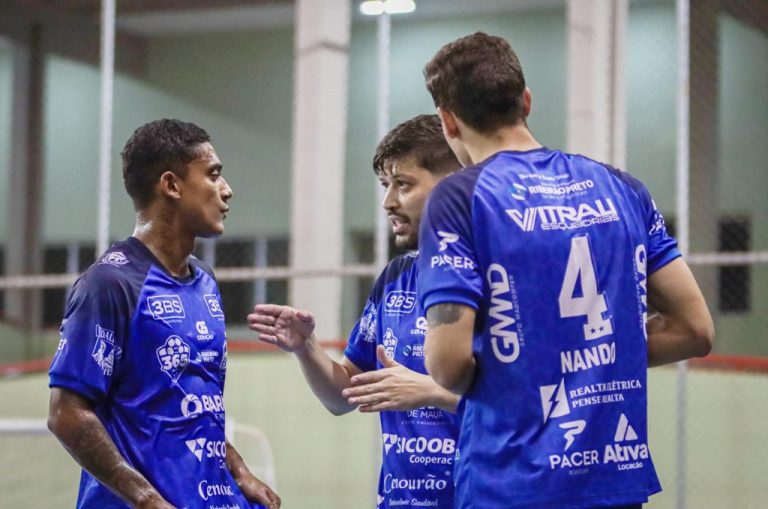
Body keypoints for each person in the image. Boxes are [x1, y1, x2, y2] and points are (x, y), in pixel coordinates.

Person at [416, 32, 715, 509]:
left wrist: (534, 361)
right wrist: (592, 358)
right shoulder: (623, 188)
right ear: (526, 102)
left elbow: (447, 366)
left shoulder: (458, 199)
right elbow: (695, 330)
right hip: (613, 477)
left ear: (448, 121)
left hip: (510, 482)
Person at [47, 119, 281, 509]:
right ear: (171, 185)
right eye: (213, 175)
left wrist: (238, 469)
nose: (227, 190)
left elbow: (180, 407)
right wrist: (148, 502)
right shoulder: (110, 283)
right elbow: (66, 414)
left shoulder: (204, 281)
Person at [248, 114, 462, 508]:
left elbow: (531, 406)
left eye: (403, 185)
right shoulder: (396, 278)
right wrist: (306, 347)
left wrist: (431, 392)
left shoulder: (500, 278)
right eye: (386, 186)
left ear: (452, 186)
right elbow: (343, 397)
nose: (388, 202)